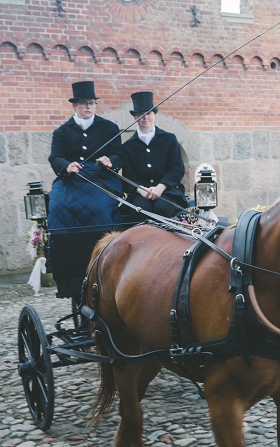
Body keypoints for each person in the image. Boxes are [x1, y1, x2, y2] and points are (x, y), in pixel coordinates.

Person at [45, 80, 124, 300]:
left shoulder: (109, 128)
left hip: (101, 178)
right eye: (83, 104)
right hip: (72, 178)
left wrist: (110, 160)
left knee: (100, 208)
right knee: (59, 207)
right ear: (75, 106)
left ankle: (106, 259)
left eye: (91, 103)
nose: (88, 107)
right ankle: (68, 265)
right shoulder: (62, 131)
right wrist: (66, 166)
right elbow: (55, 157)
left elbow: (118, 154)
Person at [108, 91, 187, 221]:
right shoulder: (128, 146)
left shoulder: (169, 139)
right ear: (135, 117)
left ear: (154, 114)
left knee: (162, 208)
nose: (145, 117)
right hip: (141, 193)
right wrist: (140, 189)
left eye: (148, 113)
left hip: (168, 190)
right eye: (140, 114)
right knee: (140, 211)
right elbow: (129, 177)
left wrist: (160, 187)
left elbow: (177, 169)